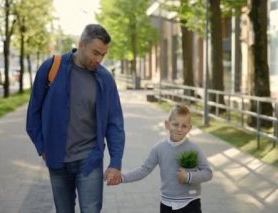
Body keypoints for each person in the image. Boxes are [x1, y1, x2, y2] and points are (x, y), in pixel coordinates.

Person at [26, 24, 125, 213]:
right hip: (57, 160)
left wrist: (115, 162)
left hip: (89, 160)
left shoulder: (105, 78)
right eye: (95, 53)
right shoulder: (51, 68)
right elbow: (33, 115)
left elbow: (115, 123)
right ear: (81, 44)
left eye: (103, 55)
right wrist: (42, 147)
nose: (99, 59)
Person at [120, 104, 213, 213]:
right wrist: (122, 178)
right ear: (167, 125)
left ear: (189, 128)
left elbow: (208, 173)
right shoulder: (159, 148)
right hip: (167, 203)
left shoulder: (194, 148)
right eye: (175, 124)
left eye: (184, 126)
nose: (179, 129)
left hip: (190, 202)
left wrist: (188, 176)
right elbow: (144, 170)